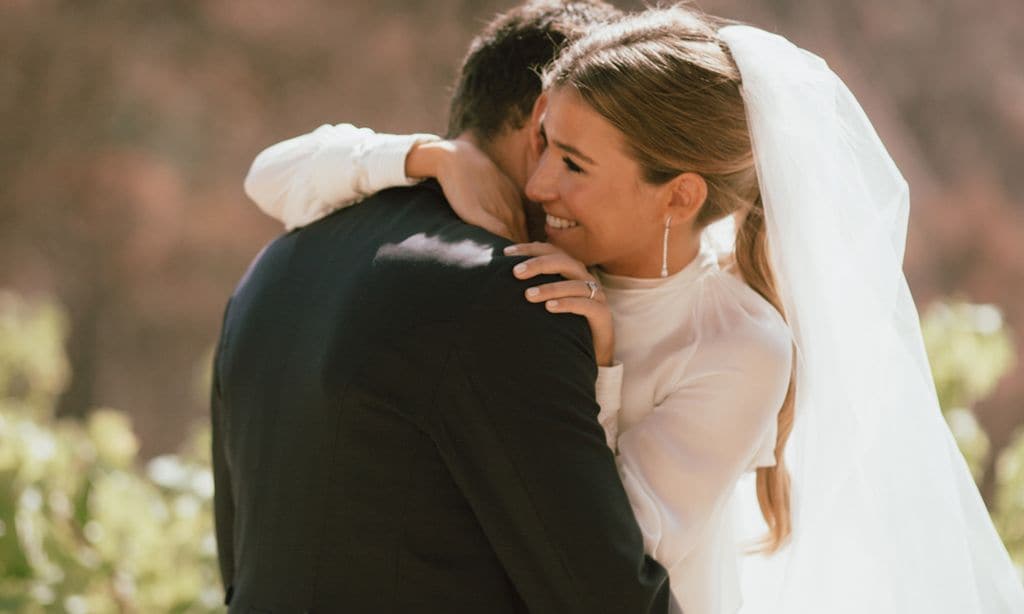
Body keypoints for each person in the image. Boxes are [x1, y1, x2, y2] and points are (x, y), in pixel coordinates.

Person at [243, 4, 1024, 614]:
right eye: (544, 143)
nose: (538, 183)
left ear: (678, 196)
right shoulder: (537, 241)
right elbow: (272, 179)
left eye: (573, 163)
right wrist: (432, 155)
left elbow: (607, 545)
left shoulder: (740, 346)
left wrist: (605, 362)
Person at [211, 1, 671, 612]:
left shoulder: (270, 269)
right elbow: (606, 597)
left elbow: (240, 561)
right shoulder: (516, 295)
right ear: (544, 125)